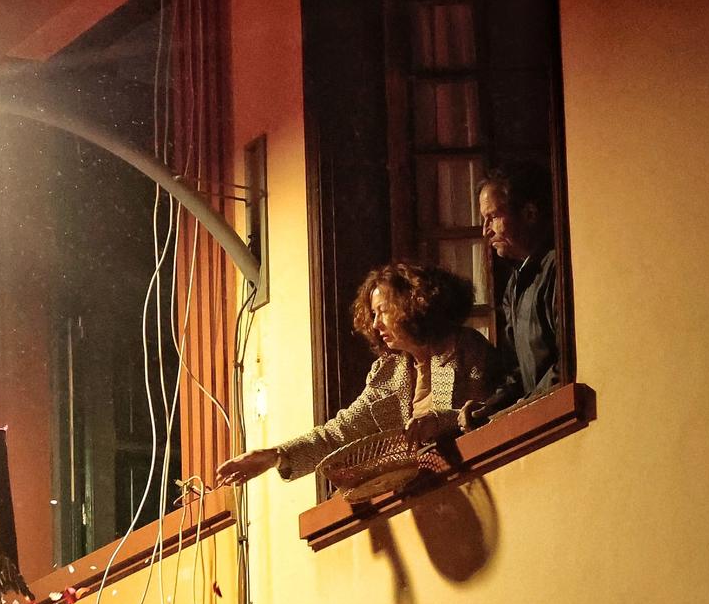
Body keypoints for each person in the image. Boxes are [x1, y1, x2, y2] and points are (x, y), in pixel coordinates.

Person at [217, 262, 511, 487]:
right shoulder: (388, 372)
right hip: (422, 500)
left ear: (414, 303)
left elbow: (489, 413)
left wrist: (440, 421)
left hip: (477, 482)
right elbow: (339, 433)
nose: (376, 323)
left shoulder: (464, 347)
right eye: (372, 314)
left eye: (383, 311)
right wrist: (275, 456)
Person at [478, 163, 561, 400]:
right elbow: (517, 372)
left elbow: (571, 361)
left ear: (529, 213)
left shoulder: (558, 269)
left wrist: (531, 404)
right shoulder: (515, 286)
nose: (486, 231)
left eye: (492, 217)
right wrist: (489, 409)